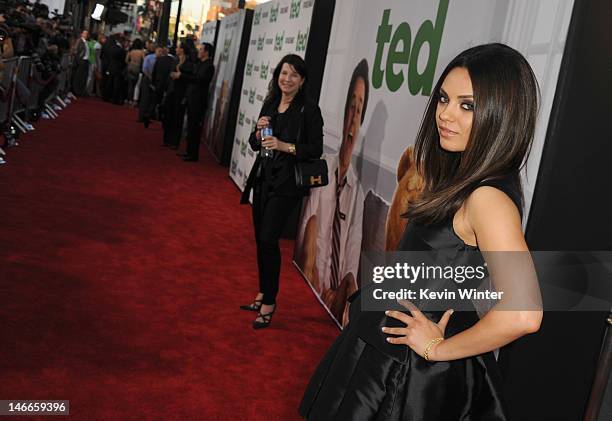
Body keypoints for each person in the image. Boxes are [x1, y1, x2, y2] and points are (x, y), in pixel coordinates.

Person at [299, 43, 543, 420]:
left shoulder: (487, 198)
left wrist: (436, 349)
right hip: (387, 349)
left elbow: (524, 313)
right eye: (444, 99)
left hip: (407, 373)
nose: (445, 115)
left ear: (503, 115)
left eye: (467, 105)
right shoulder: (462, 176)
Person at [239, 54, 324, 329]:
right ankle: (263, 291)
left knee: (268, 238)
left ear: (302, 81)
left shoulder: (308, 110)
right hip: (264, 178)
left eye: (294, 75)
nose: (287, 79)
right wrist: (258, 132)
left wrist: (285, 146)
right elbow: (256, 144)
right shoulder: (271, 103)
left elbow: (315, 149)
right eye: (284, 73)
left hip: (287, 185)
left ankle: (270, 302)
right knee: (260, 240)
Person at [295, 59, 370, 325]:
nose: (352, 118)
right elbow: (308, 224)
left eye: (359, 111)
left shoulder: (357, 190)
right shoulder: (323, 168)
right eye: (351, 107)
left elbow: (352, 250)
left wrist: (341, 293)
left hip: (333, 301)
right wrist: (313, 276)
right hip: (309, 285)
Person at [180, 42, 214, 162]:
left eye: (201, 50)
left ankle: (193, 154)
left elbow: (200, 80)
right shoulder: (200, 64)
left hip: (198, 101)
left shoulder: (209, 66)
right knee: (190, 127)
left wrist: (183, 76)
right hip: (192, 98)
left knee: (194, 128)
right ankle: (189, 151)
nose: (199, 52)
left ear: (206, 52)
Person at [162, 39, 196, 149]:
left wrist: (180, 76)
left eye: (178, 47)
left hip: (181, 93)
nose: (176, 49)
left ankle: (174, 141)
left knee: (178, 117)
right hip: (171, 91)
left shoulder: (189, 64)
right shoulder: (175, 60)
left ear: (182, 50)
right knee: (168, 115)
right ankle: (166, 139)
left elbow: (191, 79)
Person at [125, 38, 145, 105]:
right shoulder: (142, 52)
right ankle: (132, 100)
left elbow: (126, 60)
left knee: (129, 84)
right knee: (134, 85)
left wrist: (130, 63)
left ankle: (128, 99)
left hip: (130, 67)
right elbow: (144, 60)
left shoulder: (131, 51)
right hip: (137, 68)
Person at [72, 30, 89, 96]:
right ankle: (77, 91)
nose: (86, 35)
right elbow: (76, 50)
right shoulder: (79, 41)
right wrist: (78, 60)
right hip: (81, 60)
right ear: (81, 34)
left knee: (83, 77)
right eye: (85, 33)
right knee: (78, 77)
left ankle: (81, 91)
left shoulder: (86, 42)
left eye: (87, 34)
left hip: (86, 61)